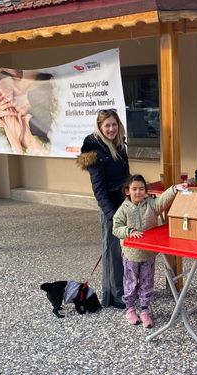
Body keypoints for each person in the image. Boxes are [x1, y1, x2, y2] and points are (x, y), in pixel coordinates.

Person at [112, 174, 188, 328]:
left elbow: (163, 200)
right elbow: (116, 228)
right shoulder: (123, 209)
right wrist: (129, 231)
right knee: (131, 282)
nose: (138, 192)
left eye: (141, 189)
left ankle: (145, 309)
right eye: (134, 189)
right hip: (131, 254)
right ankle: (130, 309)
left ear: (146, 191)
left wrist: (175, 189)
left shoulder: (151, 205)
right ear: (127, 191)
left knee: (147, 282)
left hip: (149, 254)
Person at [77, 109, 129, 309]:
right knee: (112, 252)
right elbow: (99, 190)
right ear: (99, 127)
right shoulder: (95, 152)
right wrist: (111, 215)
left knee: (124, 251)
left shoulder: (119, 145)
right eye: (107, 125)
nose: (111, 128)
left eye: (114, 124)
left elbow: (125, 176)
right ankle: (115, 297)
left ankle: (123, 289)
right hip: (111, 208)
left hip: (123, 204)